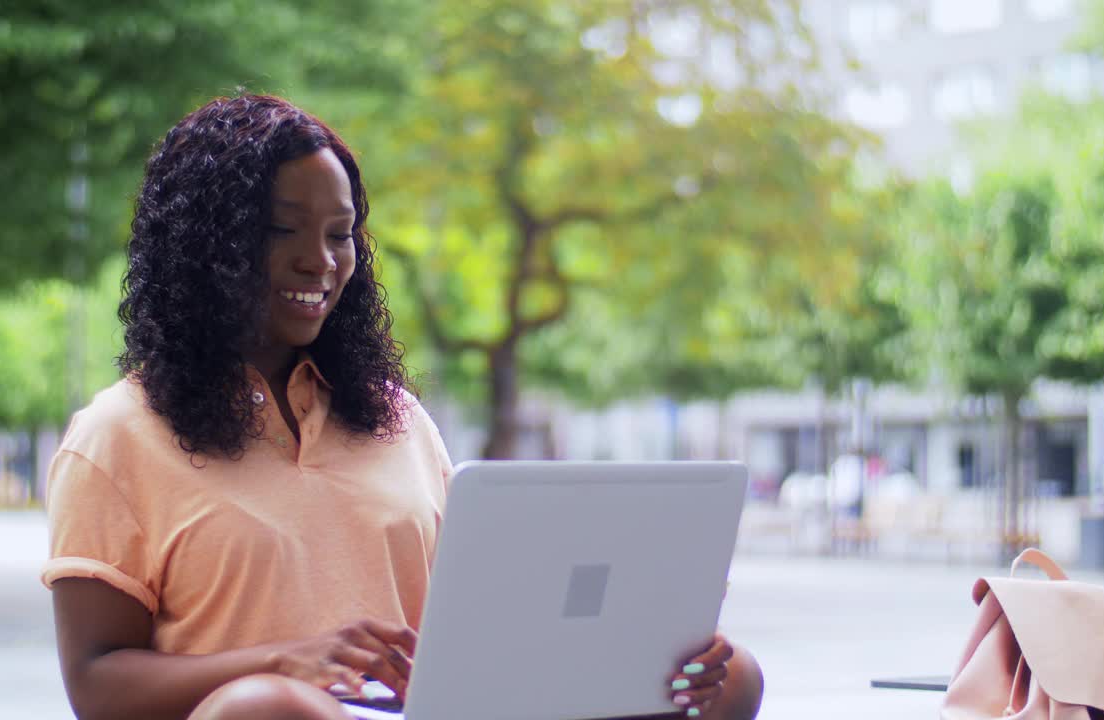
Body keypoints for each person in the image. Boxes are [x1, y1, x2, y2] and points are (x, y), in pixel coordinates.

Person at [41, 94, 764, 720]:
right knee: (269, 708)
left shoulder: (396, 419)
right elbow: (97, 686)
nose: (320, 260)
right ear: (204, 245)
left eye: (339, 233)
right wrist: (284, 663)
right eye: (282, 229)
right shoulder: (118, 436)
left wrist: (638, 633)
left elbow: (480, 621)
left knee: (734, 682)